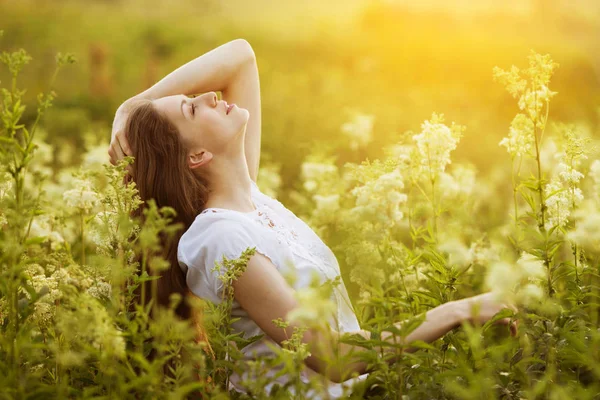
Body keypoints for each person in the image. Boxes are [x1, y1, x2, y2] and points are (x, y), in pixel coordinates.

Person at [108, 39, 519, 398]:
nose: (209, 96)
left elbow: (240, 57)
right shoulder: (221, 238)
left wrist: (131, 106)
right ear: (197, 157)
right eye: (193, 110)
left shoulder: (250, 198)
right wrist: (457, 311)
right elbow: (331, 355)